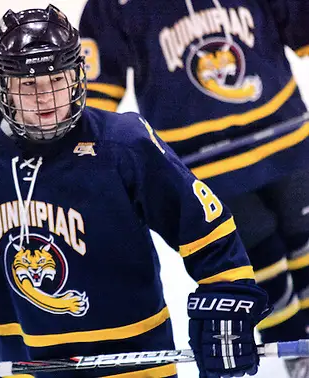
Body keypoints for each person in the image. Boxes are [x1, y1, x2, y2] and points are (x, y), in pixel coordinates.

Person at [0, 5, 271, 378]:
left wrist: (228, 294)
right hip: (26, 365)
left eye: (55, 81)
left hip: (135, 365)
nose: (43, 97)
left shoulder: (123, 143)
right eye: (27, 84)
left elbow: (204, 226)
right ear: (4, 87)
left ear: (77, 76)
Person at [78, 1, 309, 376]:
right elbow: (96, 90)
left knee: (305, 247)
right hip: (202, 167)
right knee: (260, 263)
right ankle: (297, 357)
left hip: (288, 140)